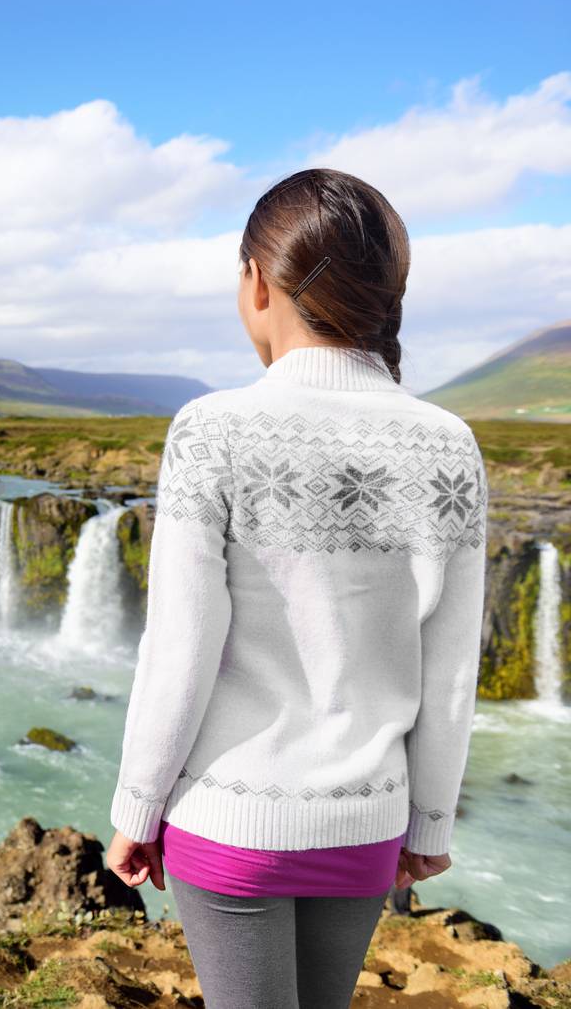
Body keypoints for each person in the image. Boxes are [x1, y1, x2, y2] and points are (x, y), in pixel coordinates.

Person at [102, 168, 489, 1008]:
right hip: (367, 824)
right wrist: (431, 821)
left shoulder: (213, 430)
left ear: (256, 281)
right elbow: (452, 666)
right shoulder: (450, 446)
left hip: (230, 822)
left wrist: (137, 806)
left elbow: (181, 647)